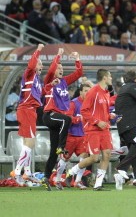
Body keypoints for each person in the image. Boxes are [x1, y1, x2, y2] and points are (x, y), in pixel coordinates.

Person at [66, 69, 117, 191]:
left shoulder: (105, 93)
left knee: (107, 155)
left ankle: (98, 184)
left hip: (104, 130)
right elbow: (84, 111)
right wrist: (97, 121)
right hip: (93, 129)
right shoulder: (93, 92)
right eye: (110, 76)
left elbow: (103, 111)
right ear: (104, 78)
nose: (111, 78)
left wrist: (109, 116)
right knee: (94, 158)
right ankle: (71, 172)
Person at [41, 50, 83, 191]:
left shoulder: (64, 81)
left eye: (62, 68)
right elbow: (52, 68)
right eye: (59, 68)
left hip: (58, 120)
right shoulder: (49, 81)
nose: (60, 70)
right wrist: (58, 54)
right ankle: (62, 147)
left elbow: (78, 74)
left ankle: (46, 177)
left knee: (53, 152)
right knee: (66, 119)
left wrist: (77, 59)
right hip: (50, 115)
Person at [10, 44, 45, 186]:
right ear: (34, 64)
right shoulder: (29, 73)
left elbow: (39, 95)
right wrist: (38, 50)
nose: (42, 66)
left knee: (27, 143)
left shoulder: (36, 80)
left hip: (31, 110)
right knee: (30, 142)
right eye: (40, 63)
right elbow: (31, 63)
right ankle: (17, 171)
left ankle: (27, 172)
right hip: (26, 109)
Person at [55, 84, 92, 190]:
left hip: (83, 136)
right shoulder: (74, 103)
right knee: (64, 159)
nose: (87, 93)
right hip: (71, 136)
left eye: (89, 91)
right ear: (80, 92)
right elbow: (67, 117)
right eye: (85, 91)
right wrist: (77, 119)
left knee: (84, 158)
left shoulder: (90, 104)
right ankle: (57, 180)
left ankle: (77, 181)